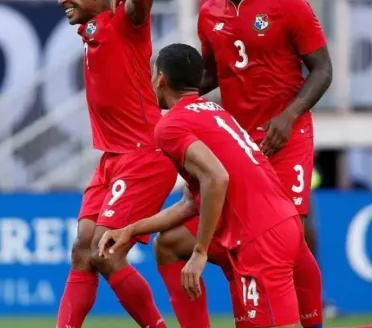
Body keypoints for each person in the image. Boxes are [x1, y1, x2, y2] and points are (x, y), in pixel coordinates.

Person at [153, 0, 372, 328]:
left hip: (286, 136)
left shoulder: (288, 5)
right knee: (174, 243)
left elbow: (323, 69)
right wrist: (171, 101)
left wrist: (290, 113)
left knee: (287, 241)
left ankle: (307, 319)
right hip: (239, 143)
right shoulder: (210, 14)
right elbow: (211, 74)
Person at [100, 43, 305, 328]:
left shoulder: (171, 126)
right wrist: (131, 229)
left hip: (260, 235)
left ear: (160, 79)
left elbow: (216, 177)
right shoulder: (213, 112)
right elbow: (190, 202)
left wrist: (200, 251)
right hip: (276, 224)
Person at [54, 0, 175, 328]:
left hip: (144, 154)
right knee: (82, 250)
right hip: (112, 158)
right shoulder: (91, 32)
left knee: (106, 252)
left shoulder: (126, 21)